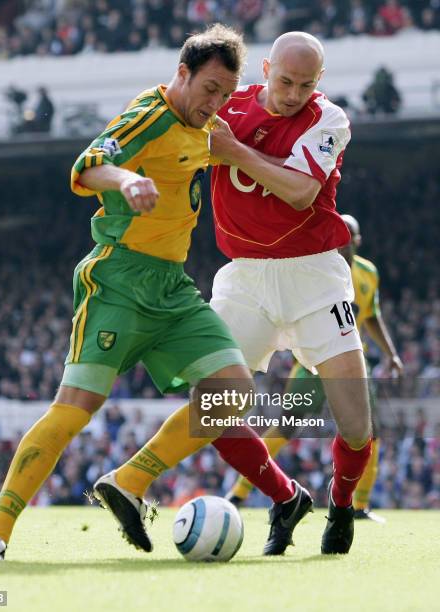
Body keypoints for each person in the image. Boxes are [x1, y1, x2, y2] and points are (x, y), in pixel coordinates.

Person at [0, 25, 311, 562]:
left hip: (173, 289)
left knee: (233, 391)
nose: (216, 103)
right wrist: (126, 181)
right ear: (182, 74)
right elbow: (87, 166)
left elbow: (261, 126)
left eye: (225, 93)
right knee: (77, 408)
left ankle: (128, 481)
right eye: (209, 89)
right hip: (119, 280)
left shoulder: (210, 127)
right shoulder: (148, 116)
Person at [209, 31, 372, 554]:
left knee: (354, 424)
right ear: (264, 67)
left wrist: (232, 152)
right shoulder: (226, 107)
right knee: (211, 407)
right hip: (246, 274)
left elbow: (302, 192)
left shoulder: (329, 119)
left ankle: (342, 504)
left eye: (305, 84)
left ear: (318, 81)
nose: (293, 92)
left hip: (315, 275)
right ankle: (284, 497)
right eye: (284, 80)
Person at [226, 214, 404, 522]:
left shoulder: (367, 274)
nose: (344, 238)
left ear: (357, 241)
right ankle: (239, 493)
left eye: (350, 234)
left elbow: (372, 316)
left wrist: (390, 354)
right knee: (286, 426)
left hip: (350, 362)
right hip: (310, 366)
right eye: (341, 231)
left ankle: (360, 506)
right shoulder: (315, 269)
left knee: (367, 432)